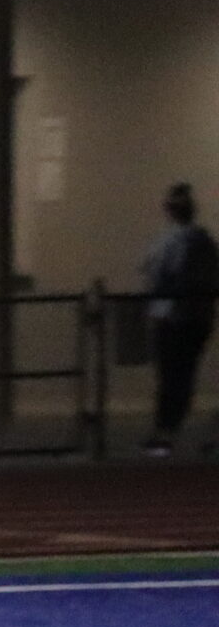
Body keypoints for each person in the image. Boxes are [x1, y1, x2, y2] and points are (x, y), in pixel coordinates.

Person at [140, 183, 217, 456]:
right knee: (179, 376)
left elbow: (155, 273)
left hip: (174, 318)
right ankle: (167, 429)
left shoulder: (172, 242)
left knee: (172, 377)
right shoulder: (200, 241)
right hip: (189, 318)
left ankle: (166, 430)